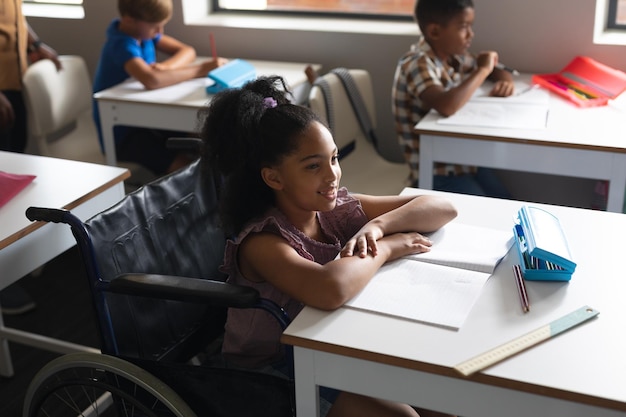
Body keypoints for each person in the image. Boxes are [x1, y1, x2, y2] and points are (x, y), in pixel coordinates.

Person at [198, 75, 458, 417]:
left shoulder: (333, 211)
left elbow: (442, 208)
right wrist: (391, 247)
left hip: (329, 346)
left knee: (443, 401)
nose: (332, 175)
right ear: (274, 178)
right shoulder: (262, 243)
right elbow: (329, 288)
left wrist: (379, 226)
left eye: (334, 158)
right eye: (313, 166)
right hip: (270, 374)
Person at [392, 0, 513, 198]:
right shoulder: (416, 63)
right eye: (463, 27)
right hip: (435, 170)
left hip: (463, 161)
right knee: (486, 213)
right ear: (435, 32)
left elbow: (495, 69)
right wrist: (483, 70)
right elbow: (446, 105)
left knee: (506, 202)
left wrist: (504, 79)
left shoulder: (451, 57)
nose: (470, 34)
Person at [92, 0, 227, 176]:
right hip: (123, 134)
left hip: (146, 120)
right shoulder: (120, 43)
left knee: (202, 137)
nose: (160, 32)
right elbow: (151, 80)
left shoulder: (144, 34)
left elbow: (187, 51)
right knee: (188, 169)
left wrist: (167, 68)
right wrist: (201, 69)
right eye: (155, 27)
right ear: (129, 20)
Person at [1, 0, 61, 315]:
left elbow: (15, 16)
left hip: (11, 82)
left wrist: (36, 43)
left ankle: (11, 258)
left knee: (13, 170)